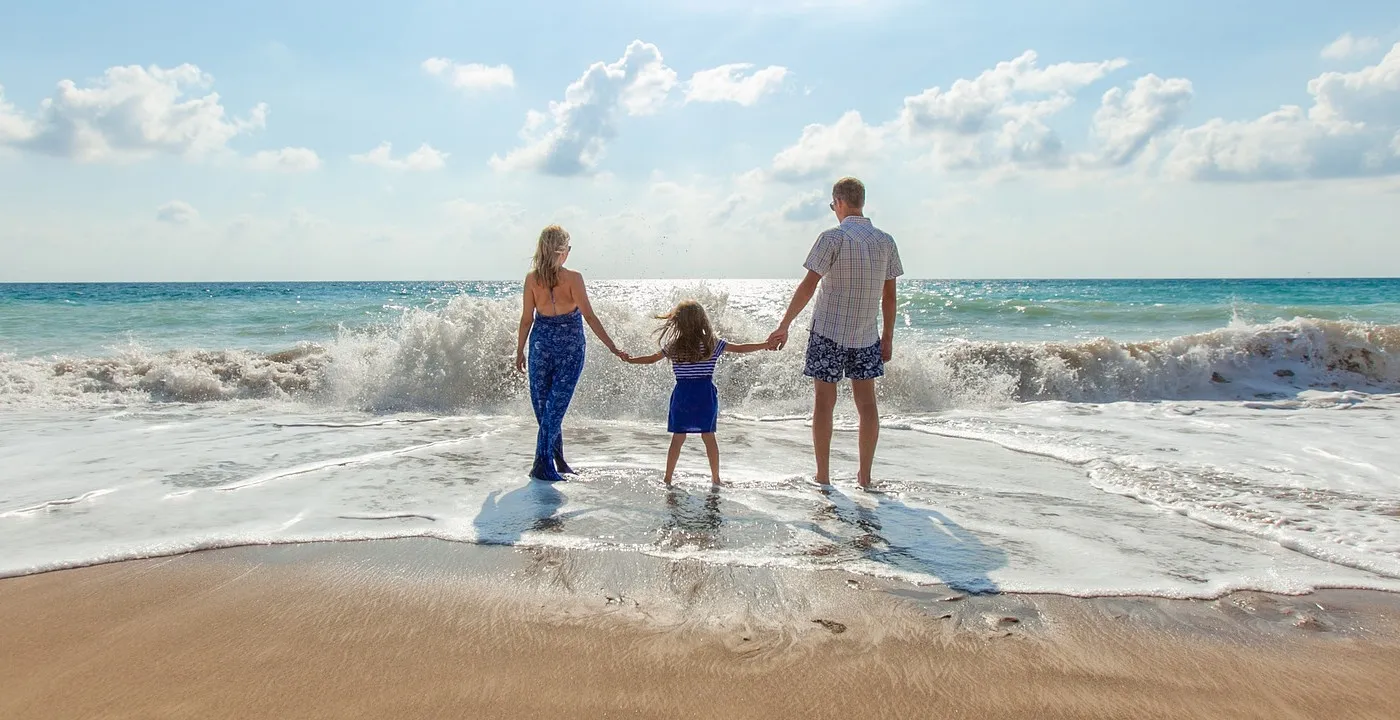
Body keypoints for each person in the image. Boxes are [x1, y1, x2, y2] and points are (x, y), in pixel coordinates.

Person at [767, 177, 903, 490]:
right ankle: (865, 477)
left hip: (828, 332)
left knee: (824, 404)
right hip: (867, 335)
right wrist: (888, 337)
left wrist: (785, 324)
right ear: (862, 202)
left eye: (832, 205)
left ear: (839, 202)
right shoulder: (886, 241)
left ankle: (823, 476)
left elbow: (808, 286)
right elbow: (890, 297)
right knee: (867, 406)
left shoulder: (832, 238)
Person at [515, 224, 626, 482]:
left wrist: (519, 350)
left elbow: (526, 320)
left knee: (548, 408)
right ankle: (544, 463)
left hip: (541, 346)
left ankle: (556, 460)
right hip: (569, 348)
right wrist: (612, 346)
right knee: (551, 409)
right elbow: (588, 315)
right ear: (562, 251)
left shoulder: (533, 279)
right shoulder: (573, 278)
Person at [622, 300, 773, 486]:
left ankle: (668, 478)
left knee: (678, 438)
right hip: (704, 396)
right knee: (709, 437)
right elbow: (740, 348)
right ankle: (716, 479)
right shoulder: (712, 344)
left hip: (683, 395)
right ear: (702, 320)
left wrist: (631, 360)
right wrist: (765, 344)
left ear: (678, 322)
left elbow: (652, 359)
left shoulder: (674, 346)